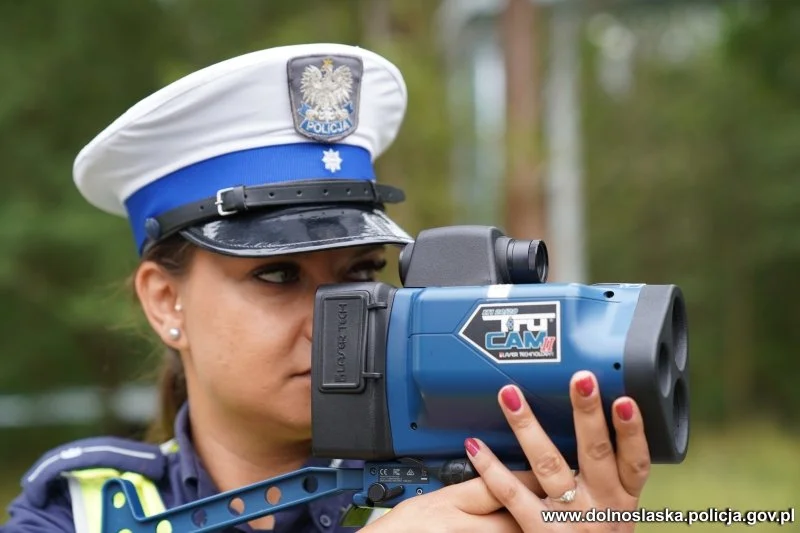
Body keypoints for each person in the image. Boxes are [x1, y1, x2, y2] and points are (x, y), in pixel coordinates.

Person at [1, 43, 651, 533]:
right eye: (277, 274)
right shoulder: (76, 510)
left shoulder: (484, 488)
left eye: (360, 274)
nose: (332, 321)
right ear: (166, 301)